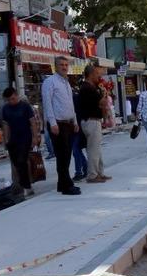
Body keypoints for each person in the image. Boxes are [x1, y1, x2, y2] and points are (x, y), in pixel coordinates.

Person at [41, 56, 80, 195]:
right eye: (61, 65)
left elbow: (70, 103)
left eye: (66, 64)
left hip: (68, 123)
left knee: (67, 155)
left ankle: (62, 183)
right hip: (58, 124)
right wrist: (52, 123)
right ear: (55, 67)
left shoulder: (66, 83)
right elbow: (47, 103)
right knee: (62, 155)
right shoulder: (49, 82)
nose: (64, 67)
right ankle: (66, 185)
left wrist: (74, 121)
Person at [0, 87, 40, 197]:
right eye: (8, 100)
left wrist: (35, 138)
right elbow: (5, 124)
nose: (11, 102)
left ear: (16, 95)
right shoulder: (6, 108)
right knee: (17, 164)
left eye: (12, 99)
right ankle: (23, 185)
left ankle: (26, 186)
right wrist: (6, 139)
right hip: (13, 140)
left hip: (25, 138)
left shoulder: (25, 107)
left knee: (22, 161)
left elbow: (32, 122)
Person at [79, 64, 111, 183]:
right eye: (97, 74)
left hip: (93, 120)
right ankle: (92, 175)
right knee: (93, 149)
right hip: (91, 121)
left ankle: (99, 172)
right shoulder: (88, 88)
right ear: (91, 74)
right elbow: (101, 103)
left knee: (96, 149)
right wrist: (104, 95)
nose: (99, 76)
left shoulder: (89, 87)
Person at [71, 85, 88, 182]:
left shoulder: (73, 99)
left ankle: (79, 172)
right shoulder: (78, 99)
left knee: (76, 150)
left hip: (76, 127)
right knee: (77, 150)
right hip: (80, 126)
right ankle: (85, 168)